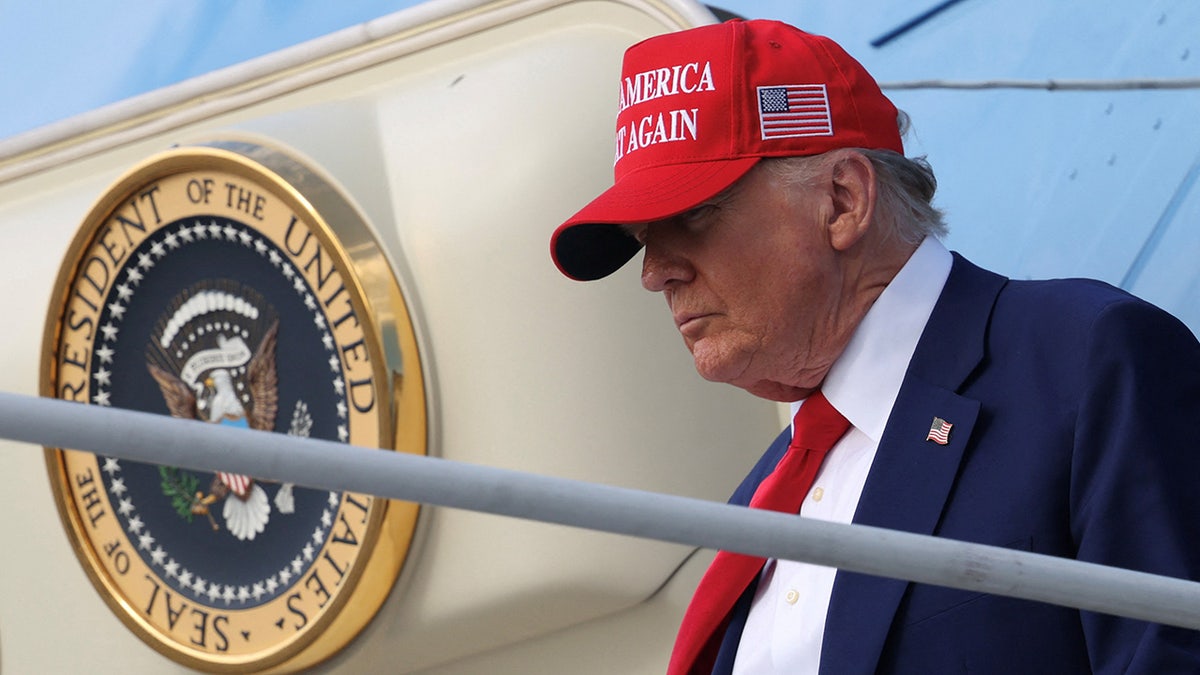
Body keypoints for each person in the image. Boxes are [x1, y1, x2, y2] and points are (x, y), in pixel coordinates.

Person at [548, 17, 1200, 675]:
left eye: (691, 215)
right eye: (642, 237)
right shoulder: (761, 495)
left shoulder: (1085, 361)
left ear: (843, 200)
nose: (654, 270)